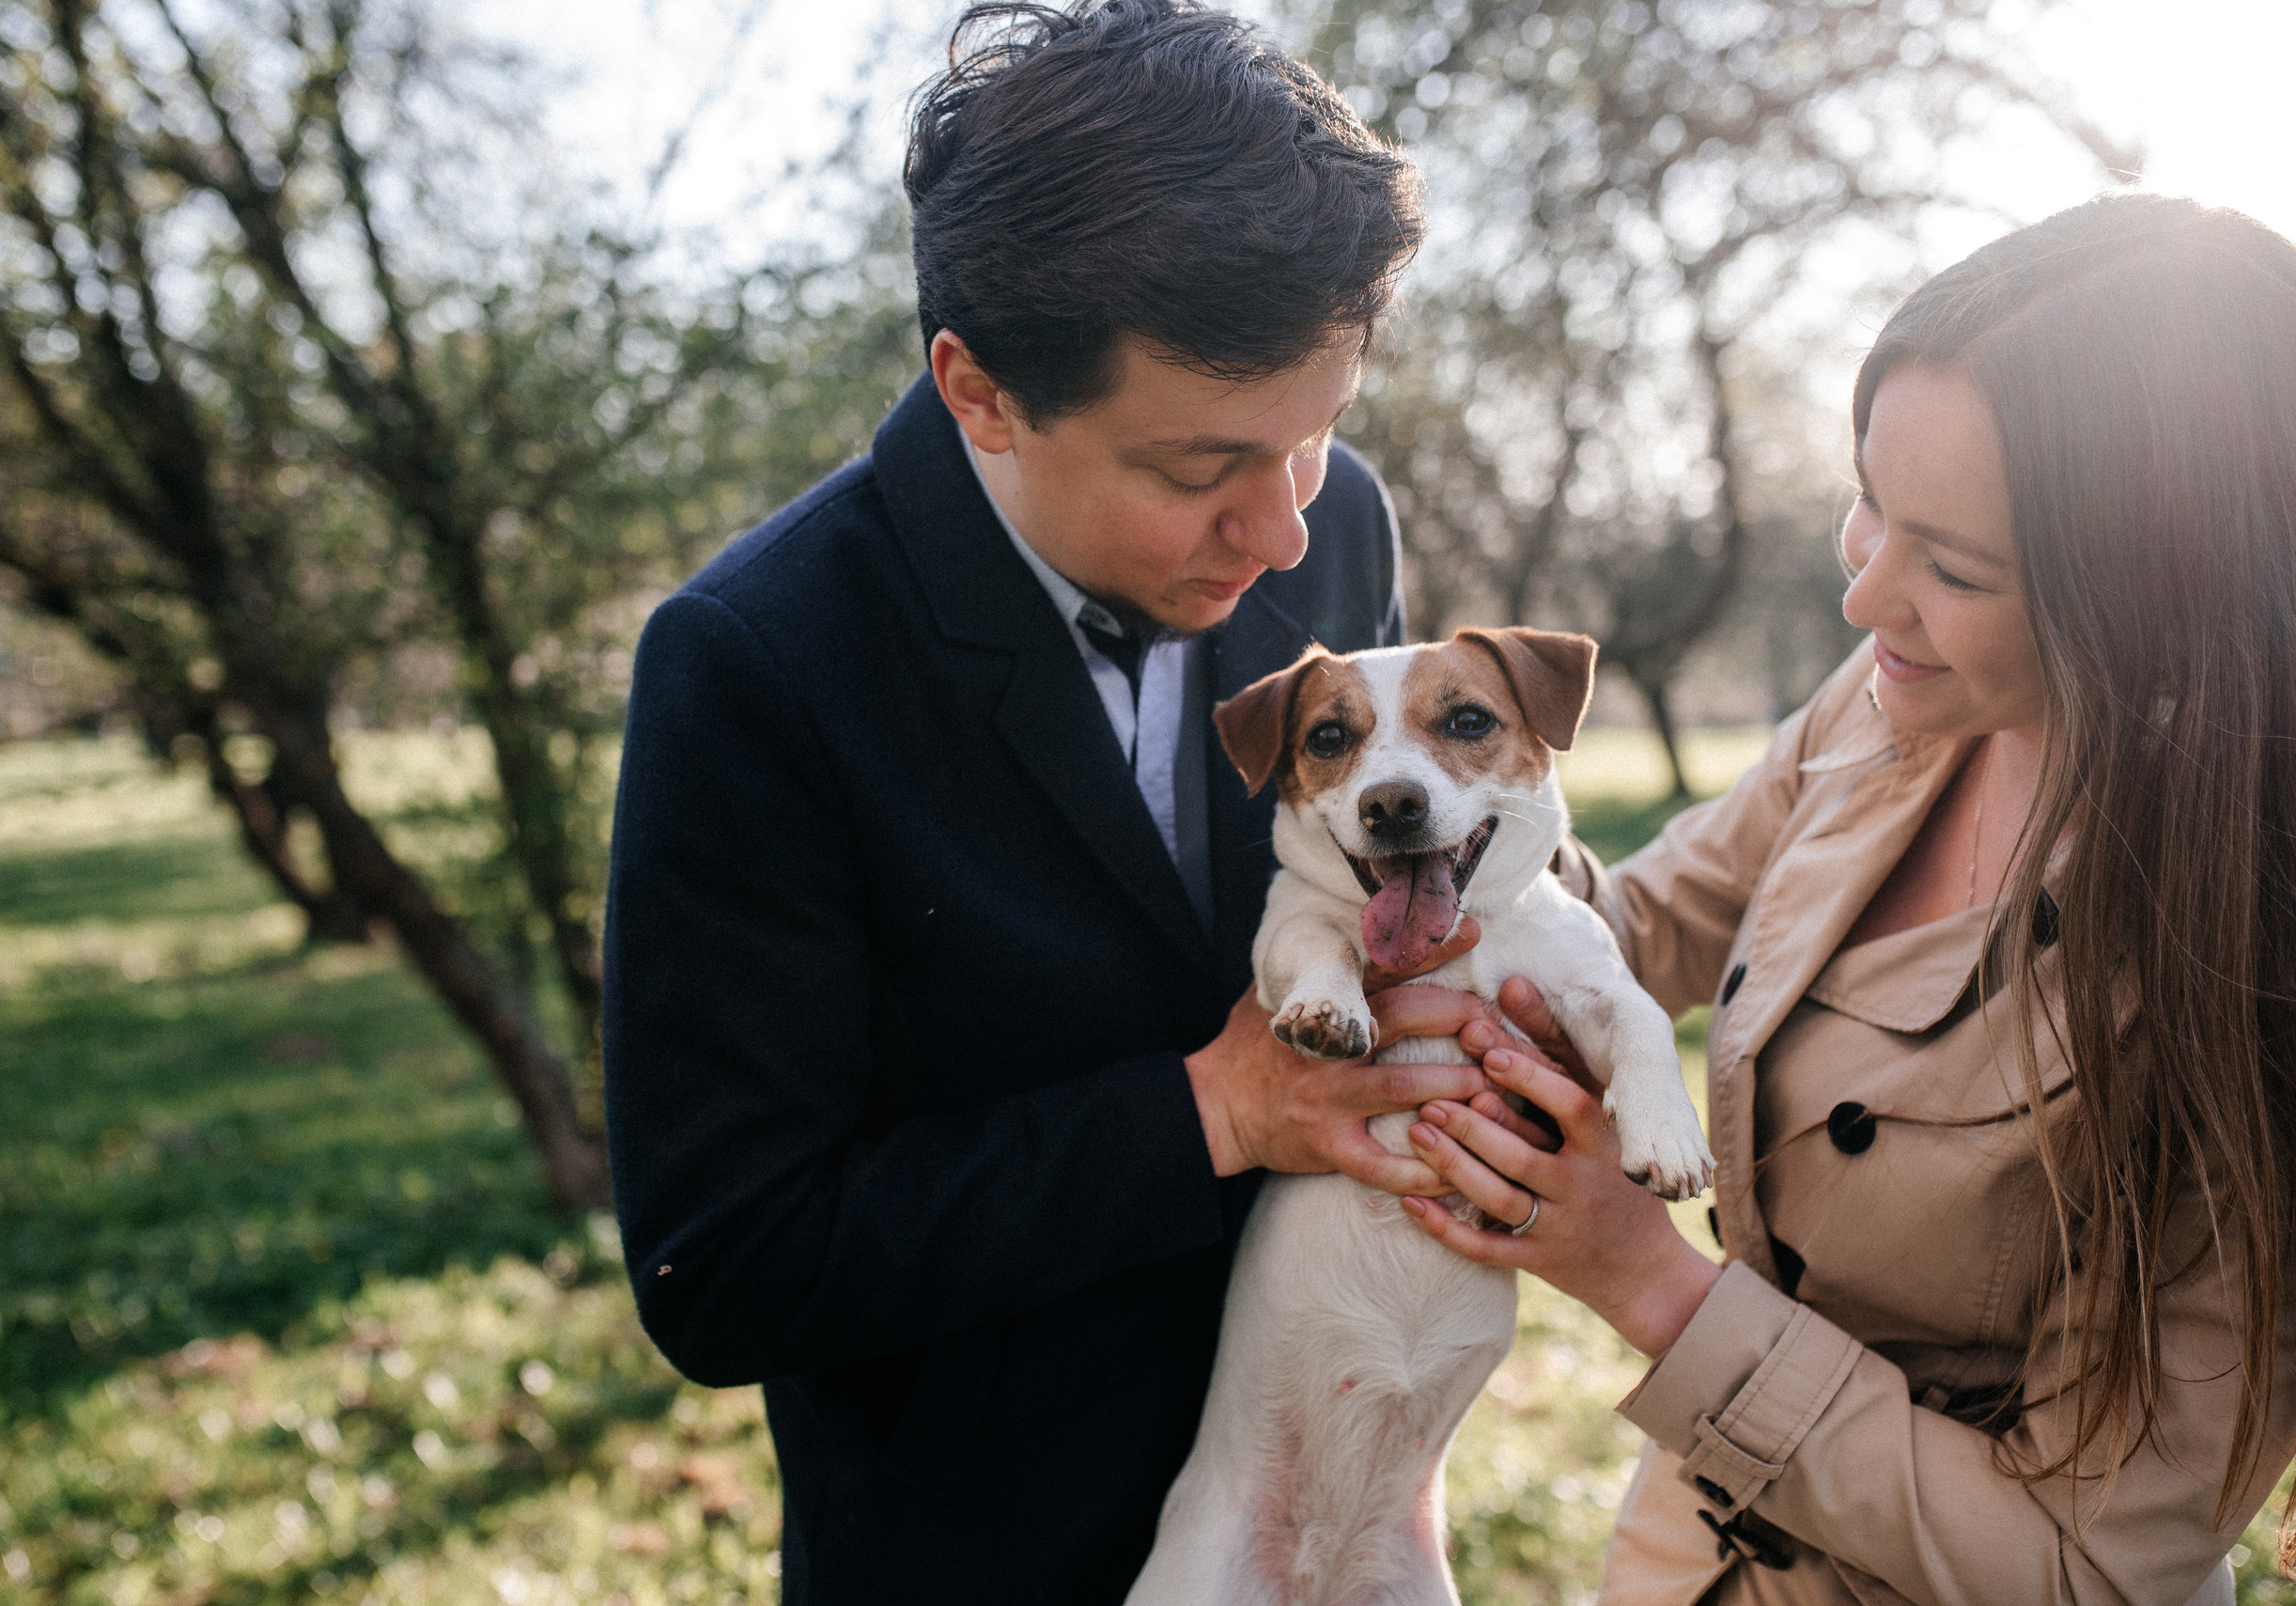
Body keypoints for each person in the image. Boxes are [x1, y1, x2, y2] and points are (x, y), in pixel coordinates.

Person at [600, 3, 1497, 1599]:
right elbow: (724, 1262)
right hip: (992, 1552)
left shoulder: (1335, 520)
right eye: (1199, 470)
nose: (1284, 534)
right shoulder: (753, 662)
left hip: (1340, 1512)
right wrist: (1209, 1113)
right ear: (981, 391)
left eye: (1316, 434)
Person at [1396, 191, 2296, 1605]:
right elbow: (1647, 920)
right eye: (1870, 501)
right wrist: (1439, 809)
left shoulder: (2247, 964)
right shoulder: (1897, 701)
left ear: (2161, 598)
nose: (1867, 599)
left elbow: (2091, 1562)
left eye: (1958, 567)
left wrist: (1651, 1282)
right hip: (1681, 1561)